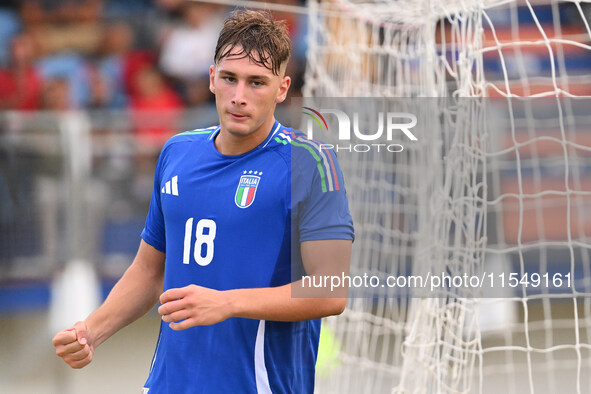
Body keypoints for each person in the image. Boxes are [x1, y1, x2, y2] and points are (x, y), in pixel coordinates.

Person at [52, 9, 354, 393]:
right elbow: (149, 270)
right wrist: (91, 331)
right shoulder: (177, 152)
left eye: (257, 83)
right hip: (168, 384)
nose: (239, 97)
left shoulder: (310, 162)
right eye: (230, 78)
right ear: (212, 78)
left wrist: (228, 303)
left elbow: (330, 290)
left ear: (282, 88)